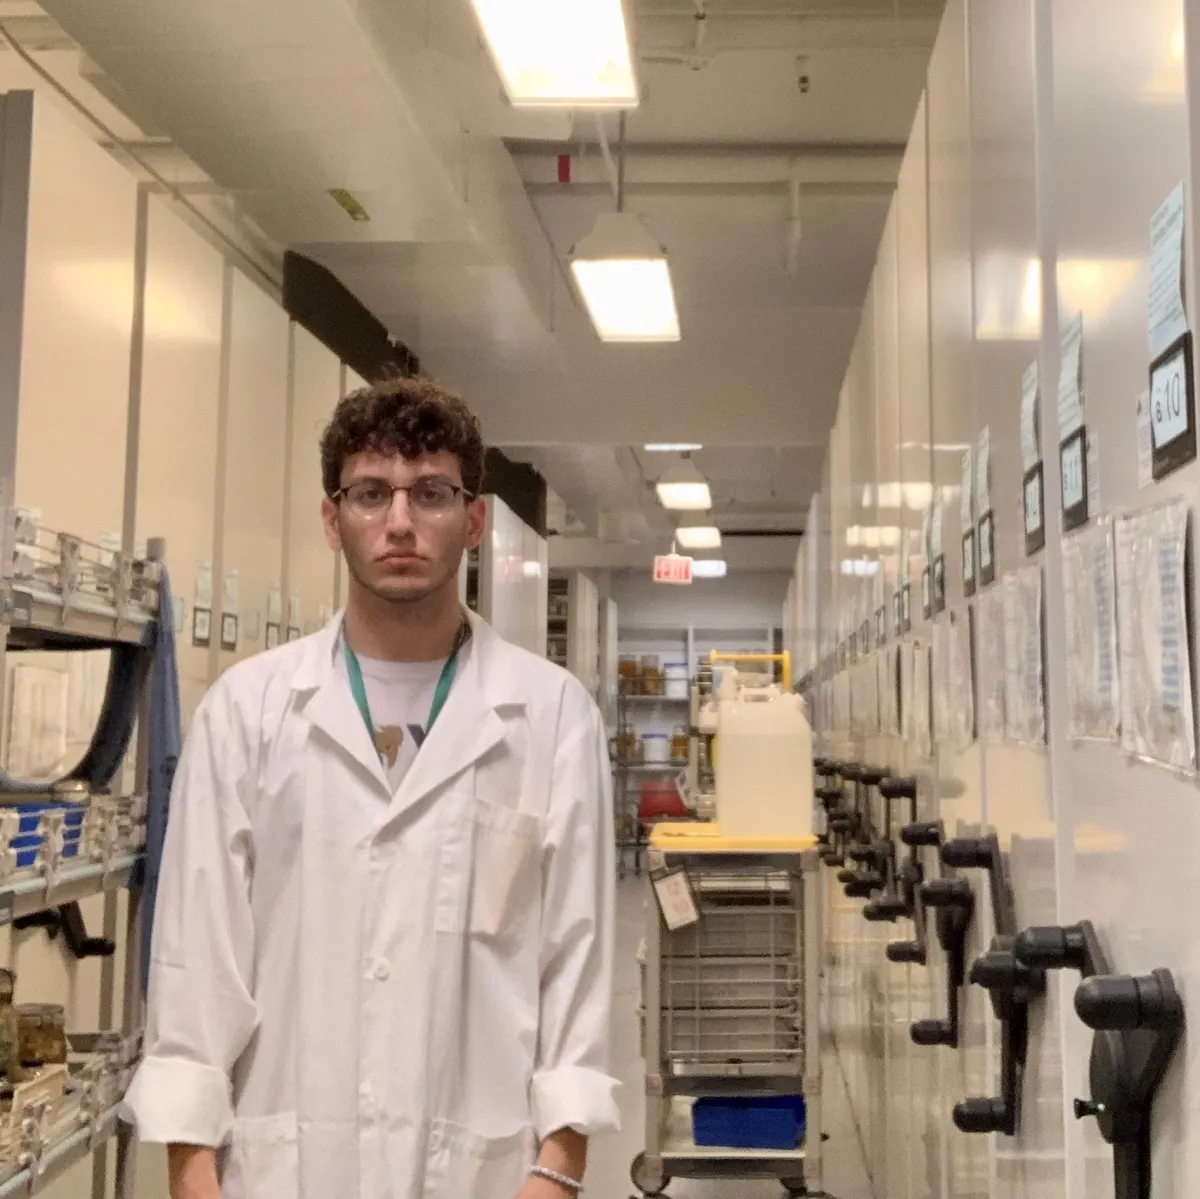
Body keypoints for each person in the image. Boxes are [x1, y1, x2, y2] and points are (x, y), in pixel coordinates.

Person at [123, 378, 620, 1199]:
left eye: (430, 492)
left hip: (484, 1171)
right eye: (369, 492)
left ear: (474, 518)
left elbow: (577, 953)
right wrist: (193, 1176)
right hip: (282, 1167)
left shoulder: (549, 714)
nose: (399, 520)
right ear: (332, 517)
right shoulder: (248, 712)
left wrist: (554, 1171)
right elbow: (193, 960)